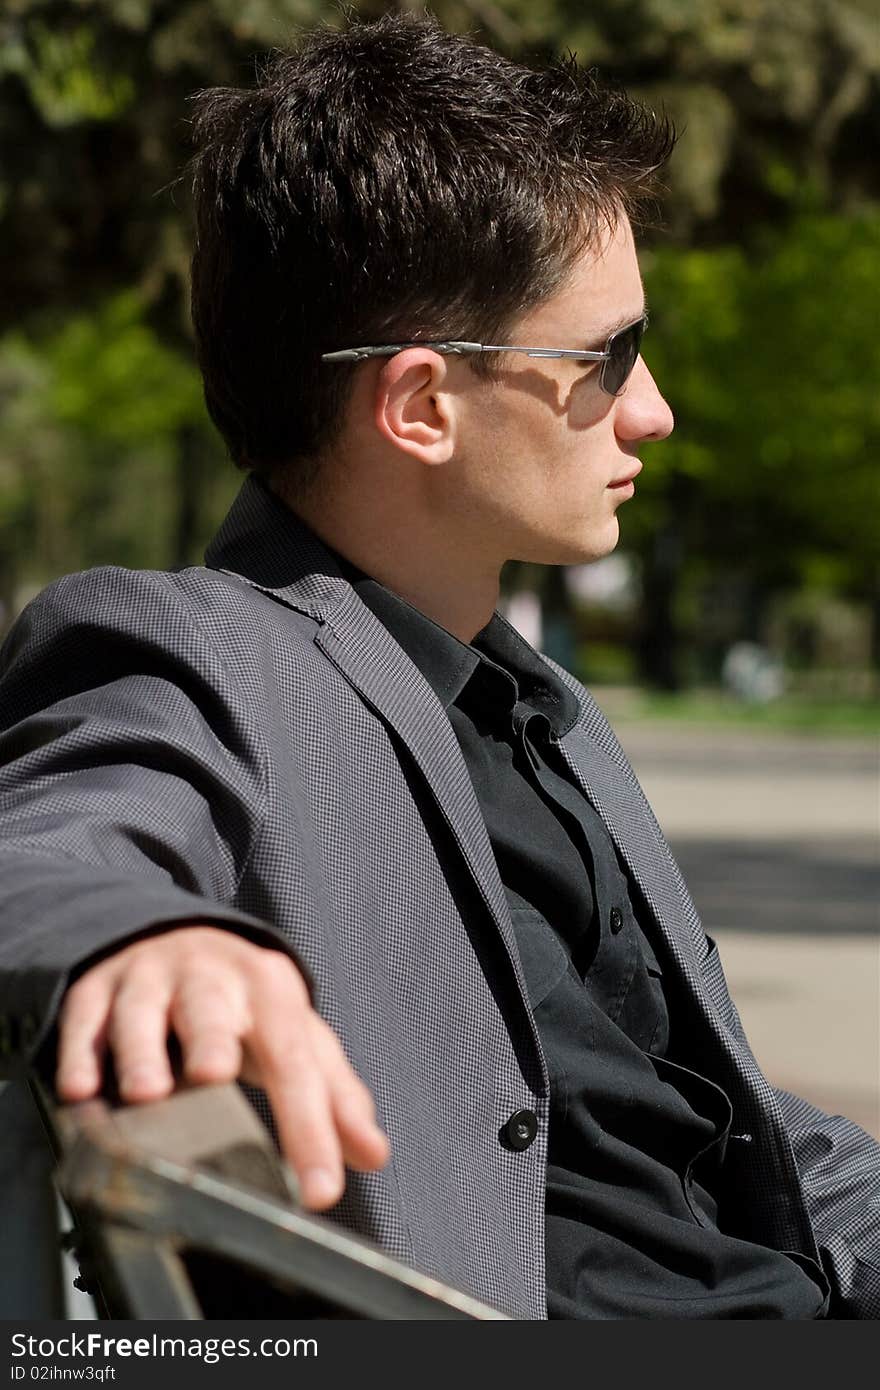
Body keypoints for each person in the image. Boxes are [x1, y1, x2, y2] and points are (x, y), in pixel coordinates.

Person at [0, 12, 876, 1321]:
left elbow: (701, 1123)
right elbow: (49, 834)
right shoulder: (193, 646)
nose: (654, 410)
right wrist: (148, 934)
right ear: (418, 406)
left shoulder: (535, 707)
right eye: (608, 360)